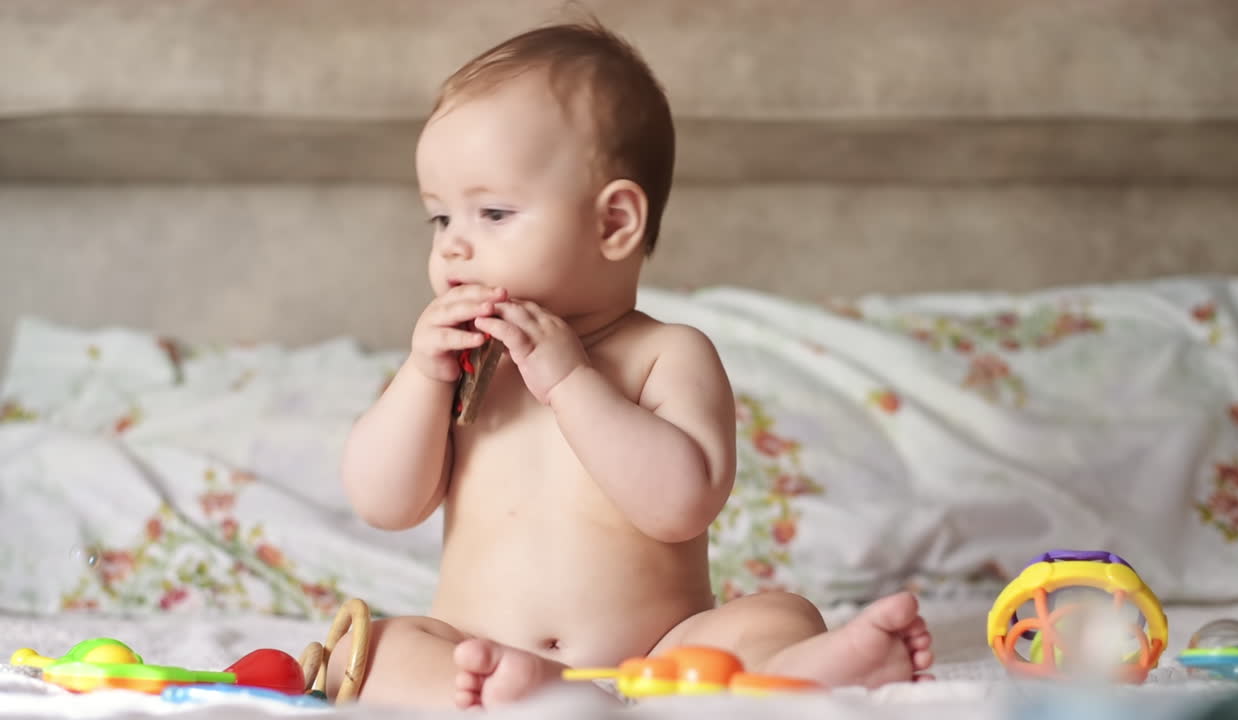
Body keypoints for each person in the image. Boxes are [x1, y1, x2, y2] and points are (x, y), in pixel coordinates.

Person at [332, 18, 934, 709]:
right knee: (360, 648)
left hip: (662, 653)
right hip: (484, 645)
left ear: (614, 223)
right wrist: (419, 377)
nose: (454, 249)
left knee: (777, 614)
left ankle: (807, 667)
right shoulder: (466, 368)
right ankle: (493, 689)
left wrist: (569, 382)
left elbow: (680, 505)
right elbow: (383, 503)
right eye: (441, 219)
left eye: (492, 213)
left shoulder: (668, 354)